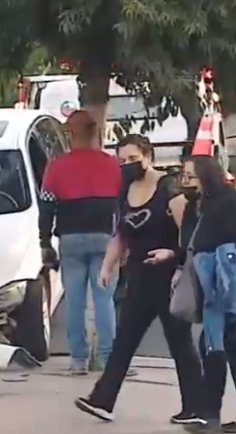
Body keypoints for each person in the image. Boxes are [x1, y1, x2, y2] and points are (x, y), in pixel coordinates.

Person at [75, 134, 204, 424]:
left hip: (168, 277)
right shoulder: (125, 190)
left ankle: (195, 407)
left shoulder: (169, 188)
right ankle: (102, 400)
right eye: (122, 160)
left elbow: (190, 236)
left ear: (148, 156)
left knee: (179, 341)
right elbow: (120, 234)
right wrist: (107, 267)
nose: (127, 165)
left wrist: (174, 256)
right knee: (125, 340)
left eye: (133, 159)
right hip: (139, 276)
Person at [38, 110, 122, 374]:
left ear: (71, 134)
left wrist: (44, 241)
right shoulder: (112, 164)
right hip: (105, 238)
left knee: (74, 301)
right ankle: (107, 359)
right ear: (95, 133)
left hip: (71, 239)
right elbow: (122, 204)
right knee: (104, 300)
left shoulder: (56, 166)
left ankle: (78, 360)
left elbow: (46, 206)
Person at [180, 154, 236, 433]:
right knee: (213, 347)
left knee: (223, 347)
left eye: (190, 176)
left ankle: (210, 416)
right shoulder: (197, 206)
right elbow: (189, 244)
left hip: (227, 290)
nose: (185, 182)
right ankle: (209, 416)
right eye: (183, 176)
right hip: (211, 290)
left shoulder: (227, 202)